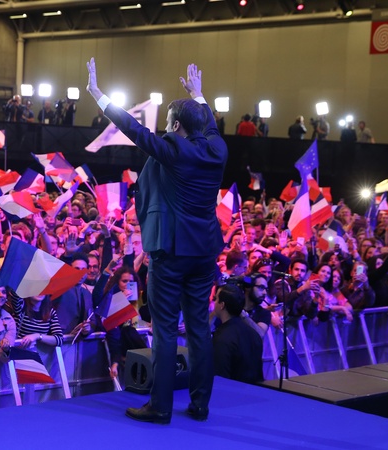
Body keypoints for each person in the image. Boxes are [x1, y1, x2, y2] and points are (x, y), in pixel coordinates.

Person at [87, 59, 227, 424]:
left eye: (168, 122)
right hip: (205, 251)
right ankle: (200, 405)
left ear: (176, 126)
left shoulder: (174, 149)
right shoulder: (218, 149)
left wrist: (99, 95)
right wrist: (198, 94)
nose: (164, 128)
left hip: (172, 251)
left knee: (164, 329)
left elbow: (134, 130)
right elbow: (209, 124)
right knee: (199, 329)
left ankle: (161, 406)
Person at [211, 284, 264, 384]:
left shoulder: (222, 337)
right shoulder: (254, 334)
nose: (214, 303)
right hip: (253, 390)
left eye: (216, 299)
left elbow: (220, 378)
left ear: (222, 305)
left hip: (231, 391)